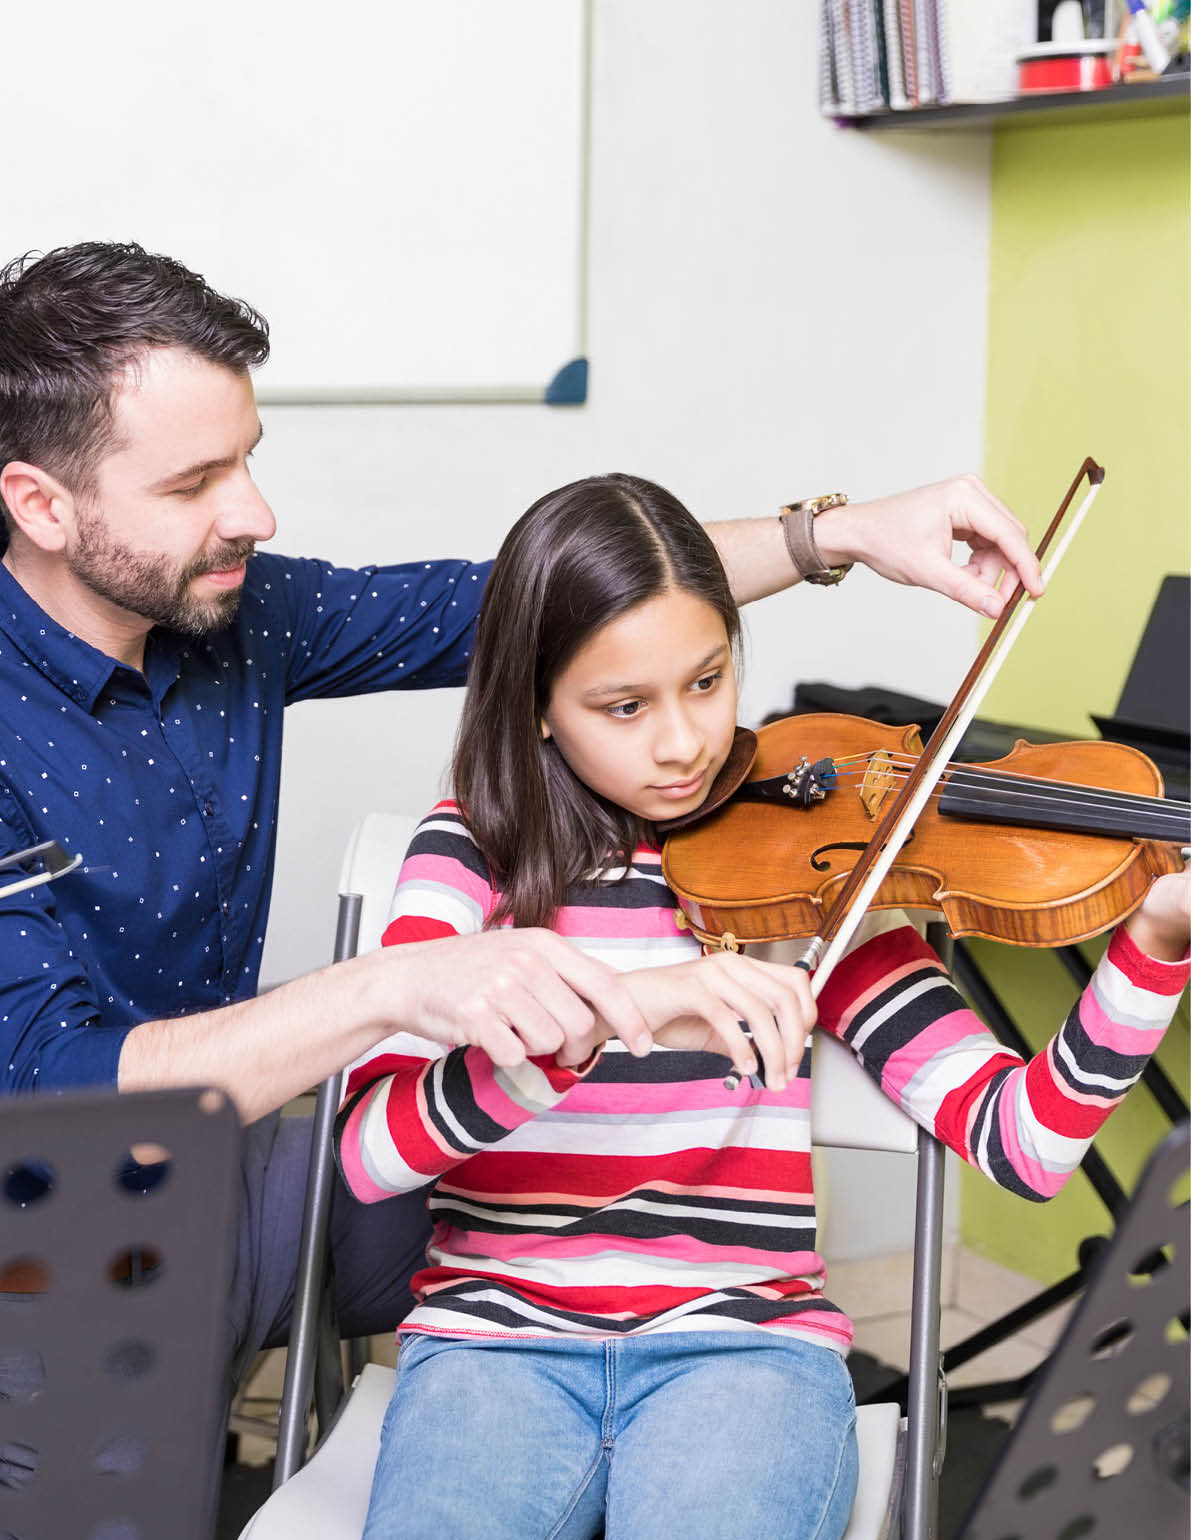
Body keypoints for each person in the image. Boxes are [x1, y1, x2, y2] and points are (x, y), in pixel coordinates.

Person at [0, 239, 1044, 1417]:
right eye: (195, 484)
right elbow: (53, 1094)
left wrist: (833, 536)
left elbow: (533, 600)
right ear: (42, 504)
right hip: (46, 1222)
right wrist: (394, 986)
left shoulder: (239, 606)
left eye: (248, 459)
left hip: (225, 1163)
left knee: (532, 1195)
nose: (255, 512)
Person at [337, 473, 1189, 1540]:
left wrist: (1152, 947)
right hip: (494, 1344)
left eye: (707, 680)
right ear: (537, 705)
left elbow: (1023, 1141)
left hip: (744, 1349)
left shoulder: (806, 866)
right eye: (624, 707)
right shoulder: (471, 851)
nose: (684, 742)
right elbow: (368, 1154)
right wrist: (609, 1013)